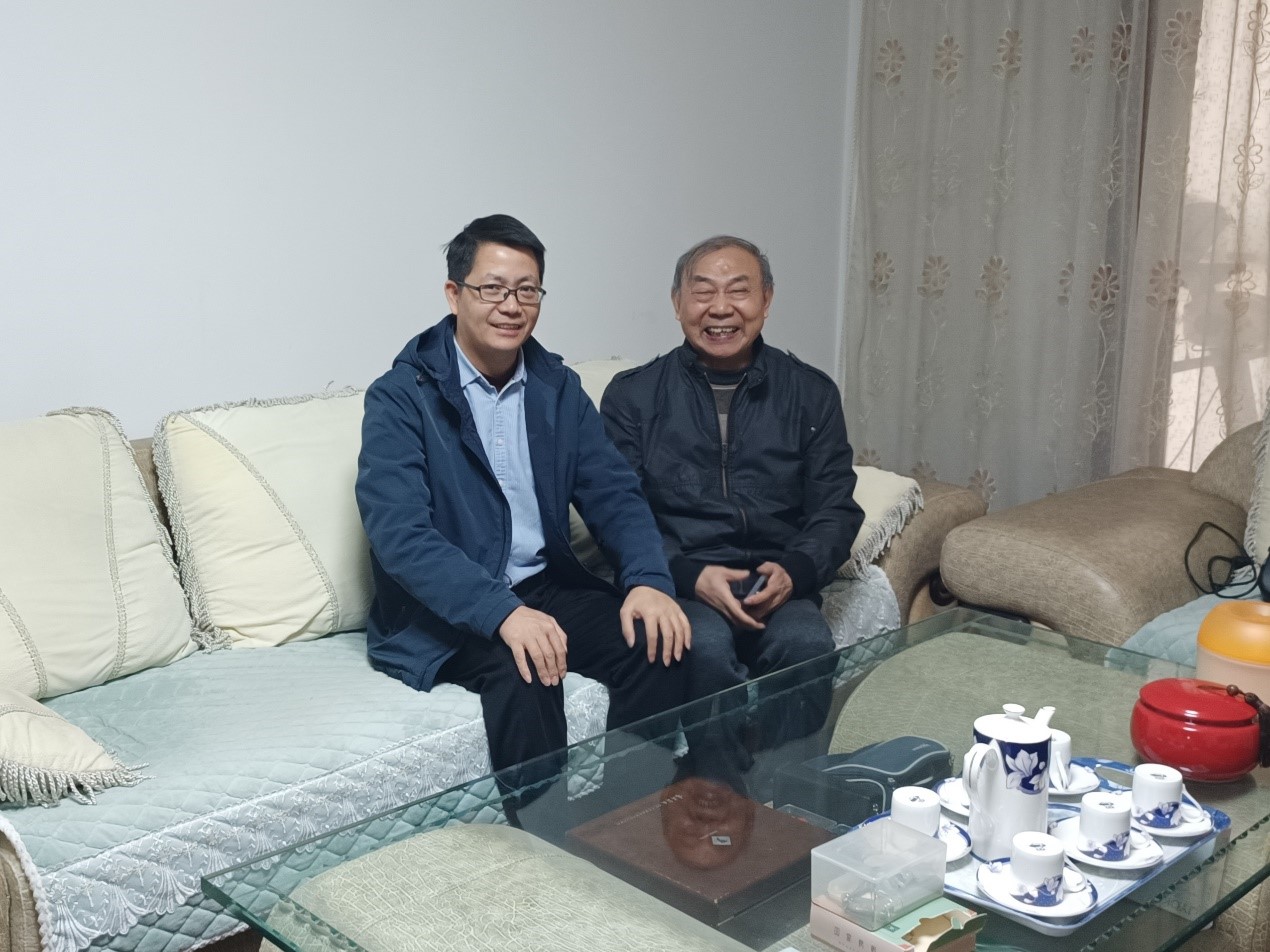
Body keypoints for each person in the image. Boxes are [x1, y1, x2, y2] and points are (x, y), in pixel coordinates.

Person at [356, 214, 691, 810]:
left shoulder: (556, 387)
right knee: (527, 666)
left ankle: (628, 827)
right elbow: (400, 535)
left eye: (527, 290)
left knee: (654, 642)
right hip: (447, 608)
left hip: (543, 586)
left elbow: (614, 494)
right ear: (454, 294)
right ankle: (547, 842)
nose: (511, 306)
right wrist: (502, 613)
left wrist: (648, 581)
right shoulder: (401, 396)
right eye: (492, 288)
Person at [601, 235, 864, 749]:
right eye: (703, 292)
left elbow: (835, 507)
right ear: (677, 303)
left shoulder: (810, 393)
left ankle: (782, 781)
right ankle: (710, 785)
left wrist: (795, 572)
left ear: (766, 300)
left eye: (738, 291)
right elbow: (617, 513)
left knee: (806, 644)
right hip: (680, 582)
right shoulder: (633, 396)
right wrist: (688, 574)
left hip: (776, 579)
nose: (720, 308)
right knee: (700, 646)